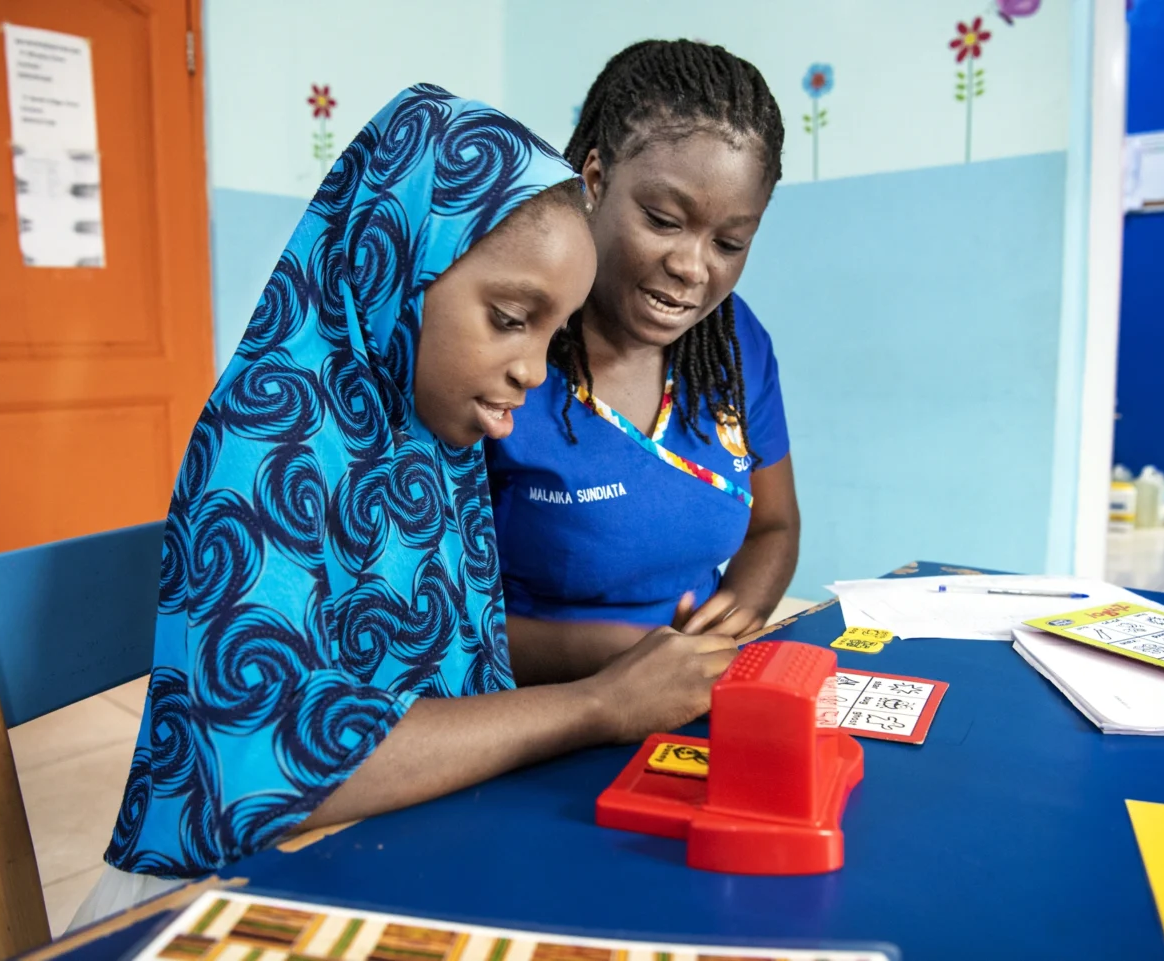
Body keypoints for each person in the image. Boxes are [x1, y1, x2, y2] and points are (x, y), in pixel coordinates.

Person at [70, 86, 738, 929]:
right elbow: (271, 767)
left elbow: (434, 659)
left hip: (394, 852)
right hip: (222, 900)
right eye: (508, 318)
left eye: (552, 332)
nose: (533, 371)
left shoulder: (422, 433)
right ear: (395, 262)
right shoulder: (270, 434)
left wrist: (618, 652)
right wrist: (598, 702)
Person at [486, 41, 800, 685]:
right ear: (596, 180)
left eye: (729, 241)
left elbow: (773, 524)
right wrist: (621, 662)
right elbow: (436, 619)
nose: (692, 266)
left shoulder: (736, 346)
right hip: (528, 711)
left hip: (686, 694)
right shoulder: (507, 348)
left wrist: (733, 620)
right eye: (662, 220)